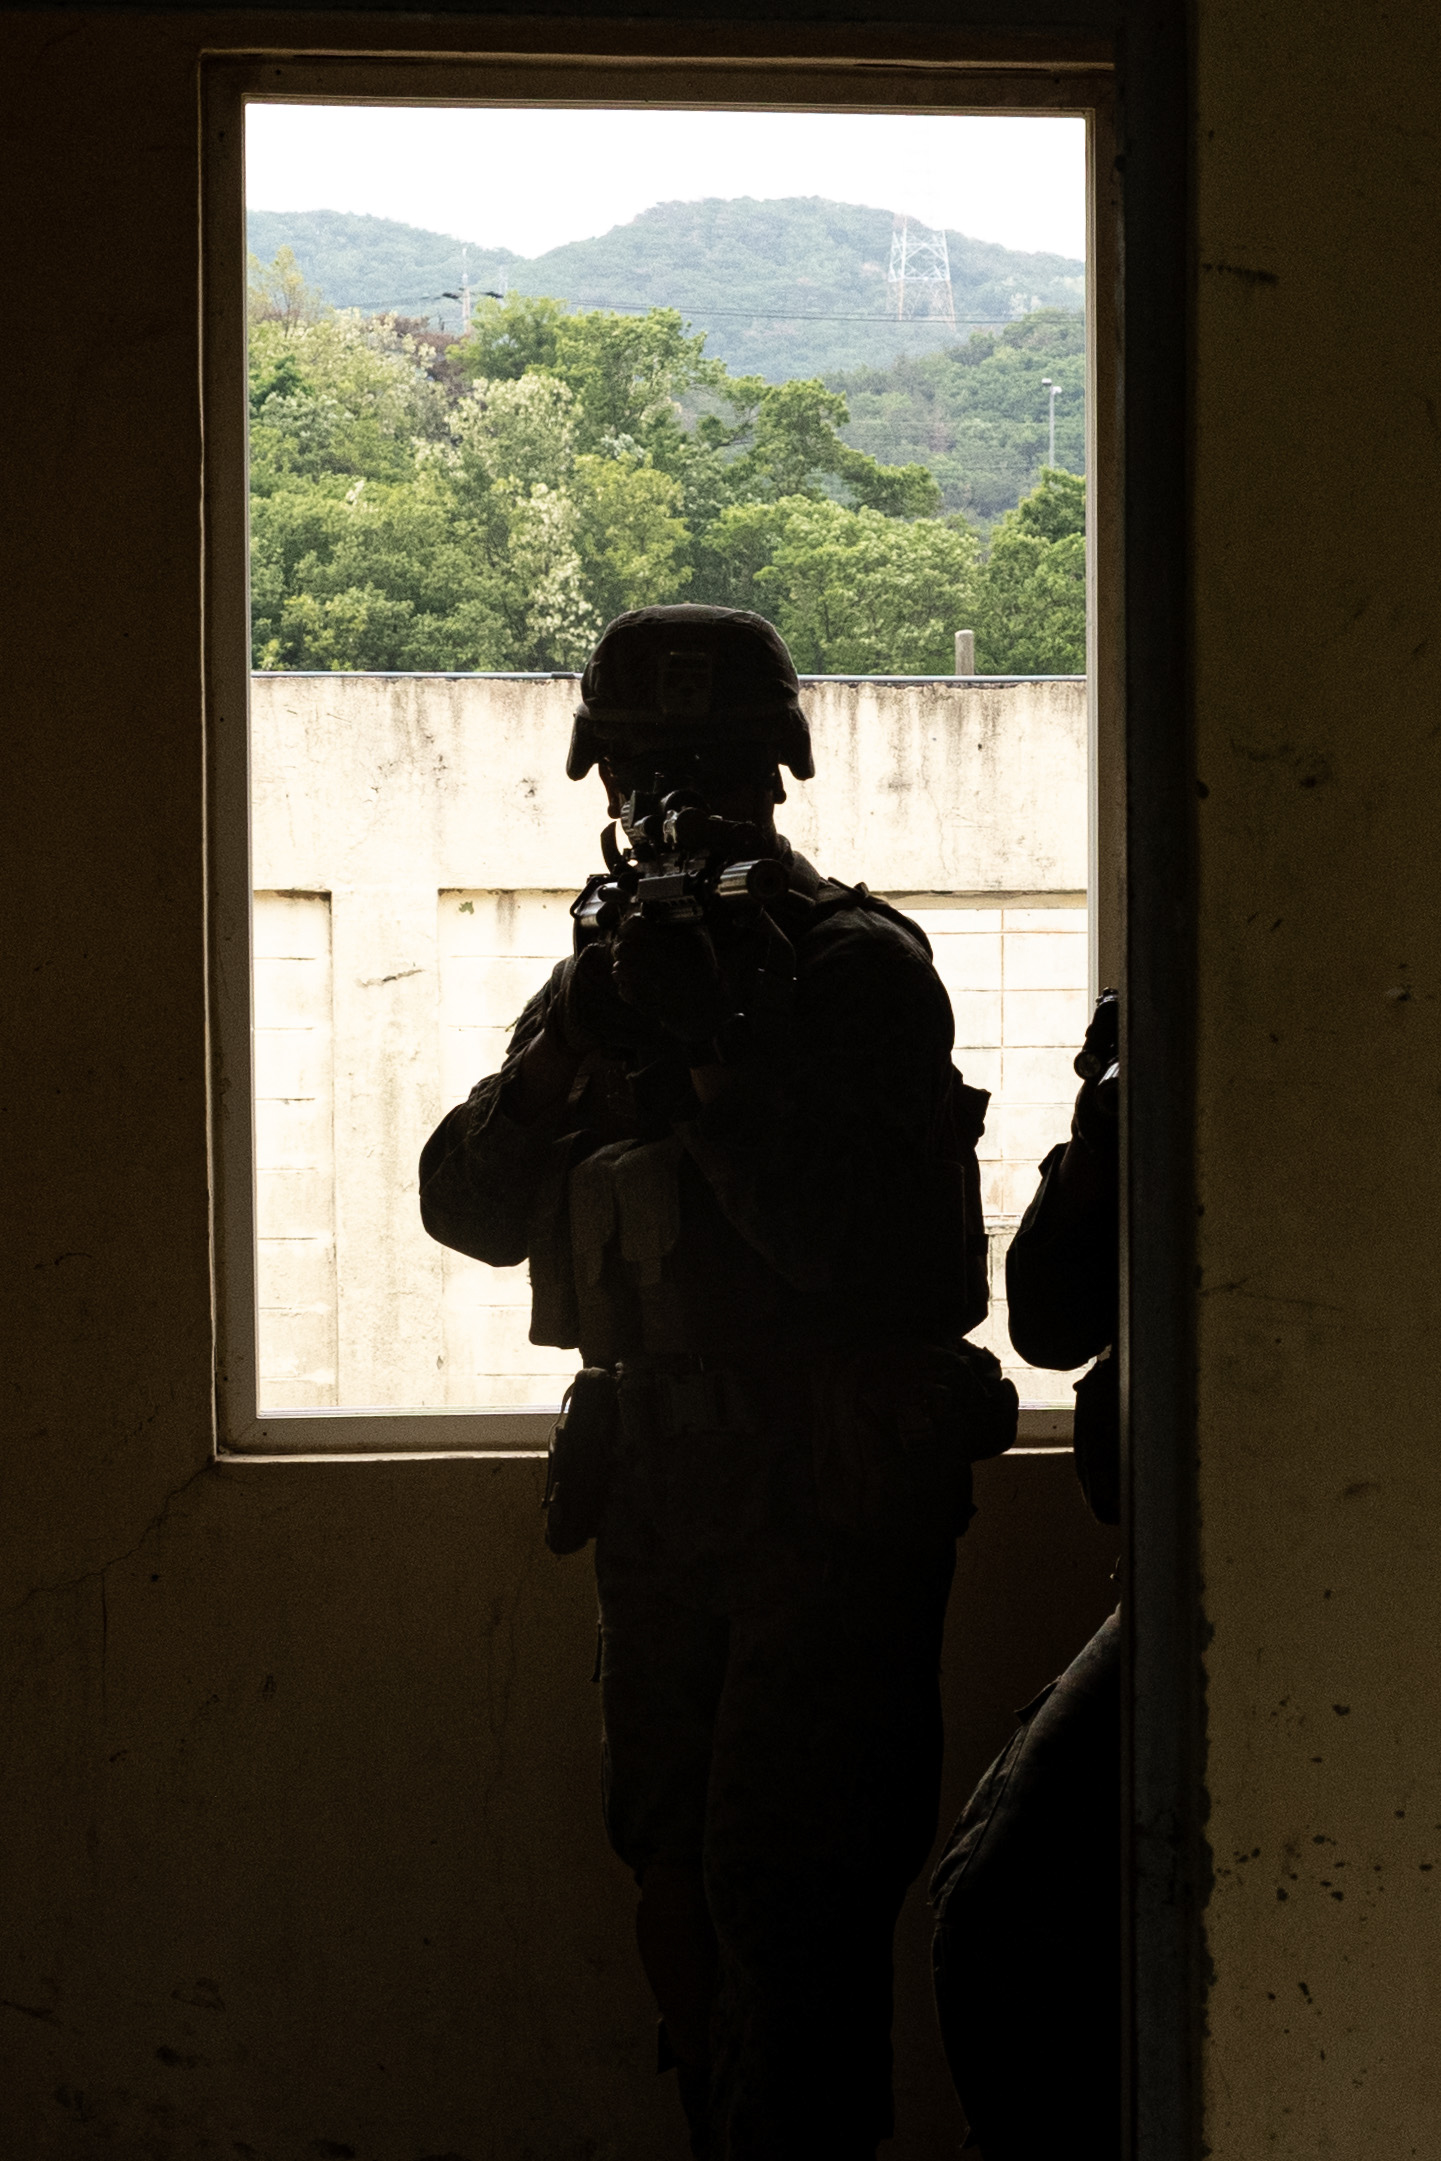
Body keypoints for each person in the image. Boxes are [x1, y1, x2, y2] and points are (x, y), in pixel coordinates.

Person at [418, 605, 1015, 2160]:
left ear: (781, 776)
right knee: (672, 1877)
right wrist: (577, 1050)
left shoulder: (856, 969)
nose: (673, 804)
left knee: (794, 1909)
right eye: (643, 770)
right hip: (666, 1497)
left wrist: (722, 1057)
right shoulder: (606, 973)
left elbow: (879, 1267)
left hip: (828, 1509)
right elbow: (465, 1208)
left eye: (714, 770)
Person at [929, 990, 1121, 2161]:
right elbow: (1049, 1320)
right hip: (1166, 1573)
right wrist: (1101, 1124)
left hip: (1245, 1586)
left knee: (1005, 1904)